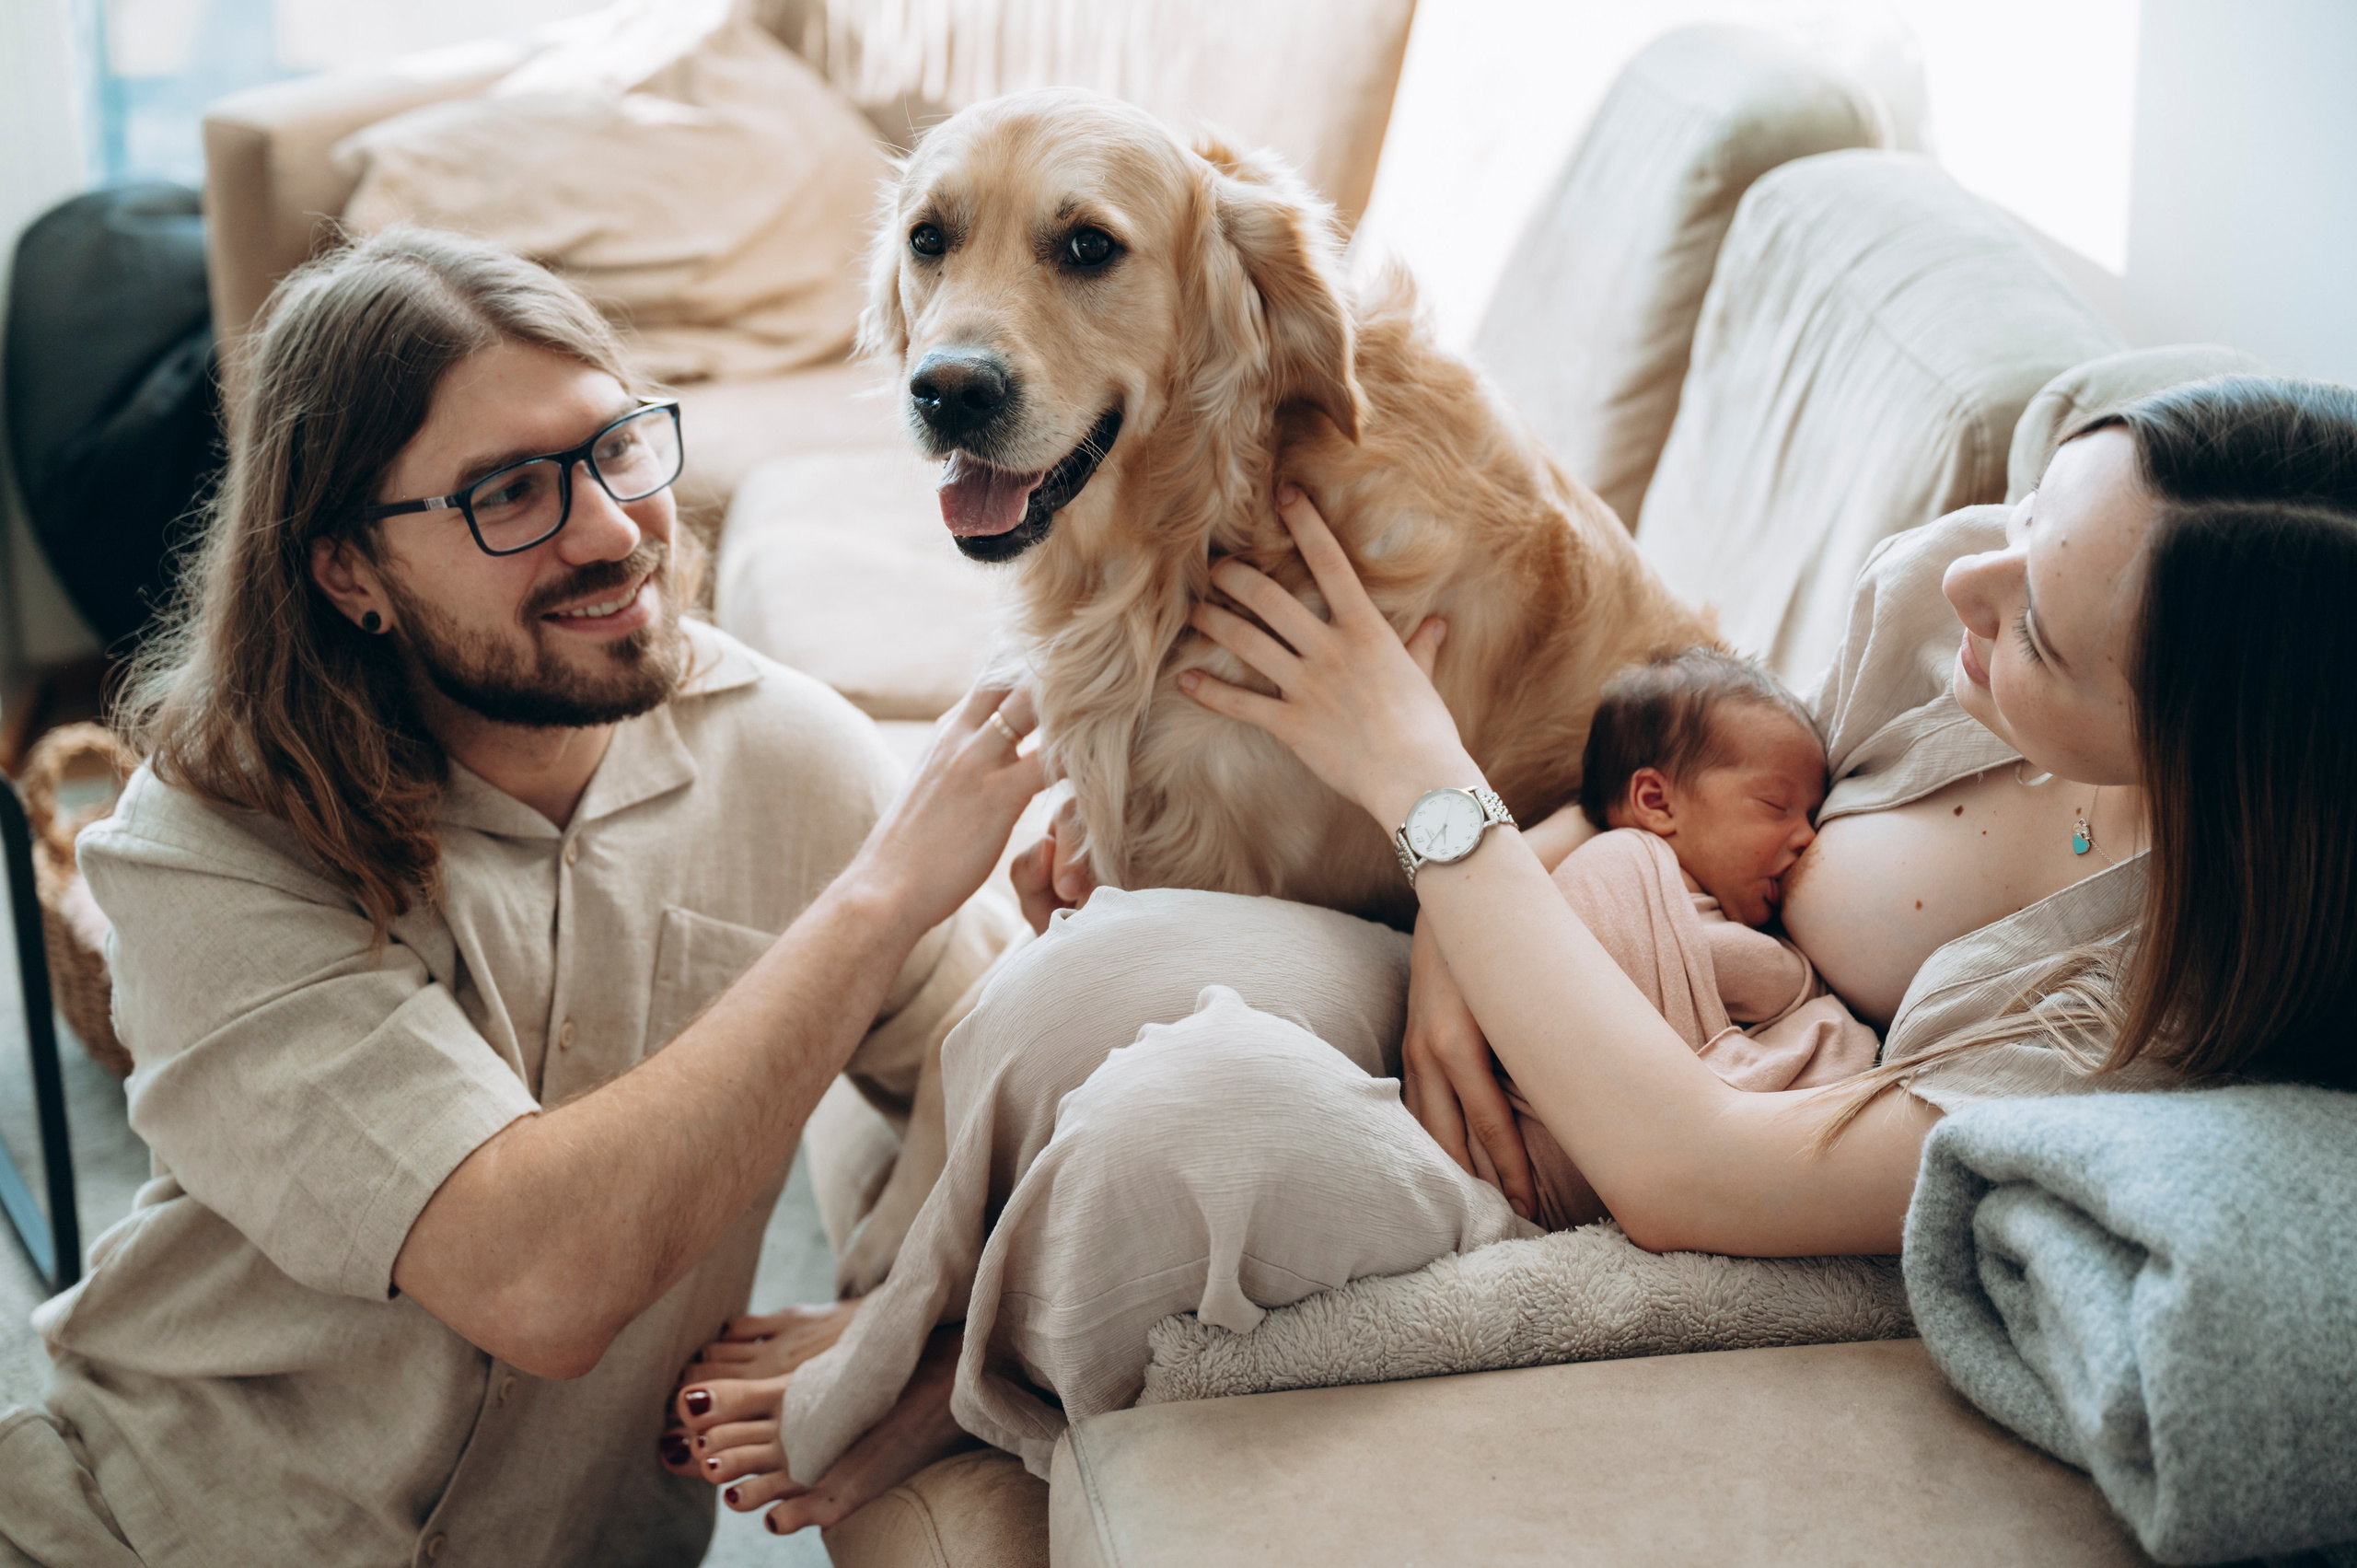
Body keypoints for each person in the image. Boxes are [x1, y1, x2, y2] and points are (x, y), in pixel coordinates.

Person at [670, 374, 2357, 1532]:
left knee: (1191, 1115)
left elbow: (1705, 1169)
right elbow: (1702, 782)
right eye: (2028, 511)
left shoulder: (2139, 995)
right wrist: (1498, 891)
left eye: (2039, 623)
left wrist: (1423, 781)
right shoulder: (1951, 617)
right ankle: (917, 1298)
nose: (1968, 578)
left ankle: (932, 1373)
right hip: (1592, 927)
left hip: (1661, 1125)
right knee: (1096, 968)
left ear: (2195, 751)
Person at [0, 228, 1054, 1568]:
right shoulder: (206, 840)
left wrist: (912, 1327)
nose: (614, 531)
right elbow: (540, 1278)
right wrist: (875, 900)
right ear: (347, 570)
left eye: (617, 446)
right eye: (508, 492)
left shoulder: (797, 758)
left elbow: (1035, 1121)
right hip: (149, 1529)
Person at [1502, 645, 1877, 1228]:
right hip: (1537, 1151)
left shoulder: (1705, 892)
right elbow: (1731, 965)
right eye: (1776, 804)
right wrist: (1808, 983)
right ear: (1656, 802)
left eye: (1813, 814)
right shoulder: (1623, 865)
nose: (1807, 837)